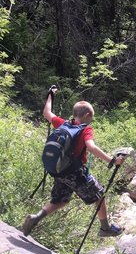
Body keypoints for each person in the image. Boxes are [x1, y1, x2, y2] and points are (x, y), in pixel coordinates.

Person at [22, 89, 125, 238]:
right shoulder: (86, 130)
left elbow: (46, 113)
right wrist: (112, 160)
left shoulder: (63, 124)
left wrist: (50, 95)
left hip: (59, 170)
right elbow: (91, 147)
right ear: (87, 115)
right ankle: (105, 228)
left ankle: (36, 217)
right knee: (99, 195)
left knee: (60, 200)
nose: (91, 120)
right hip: (74, 172)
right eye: (92, 117)